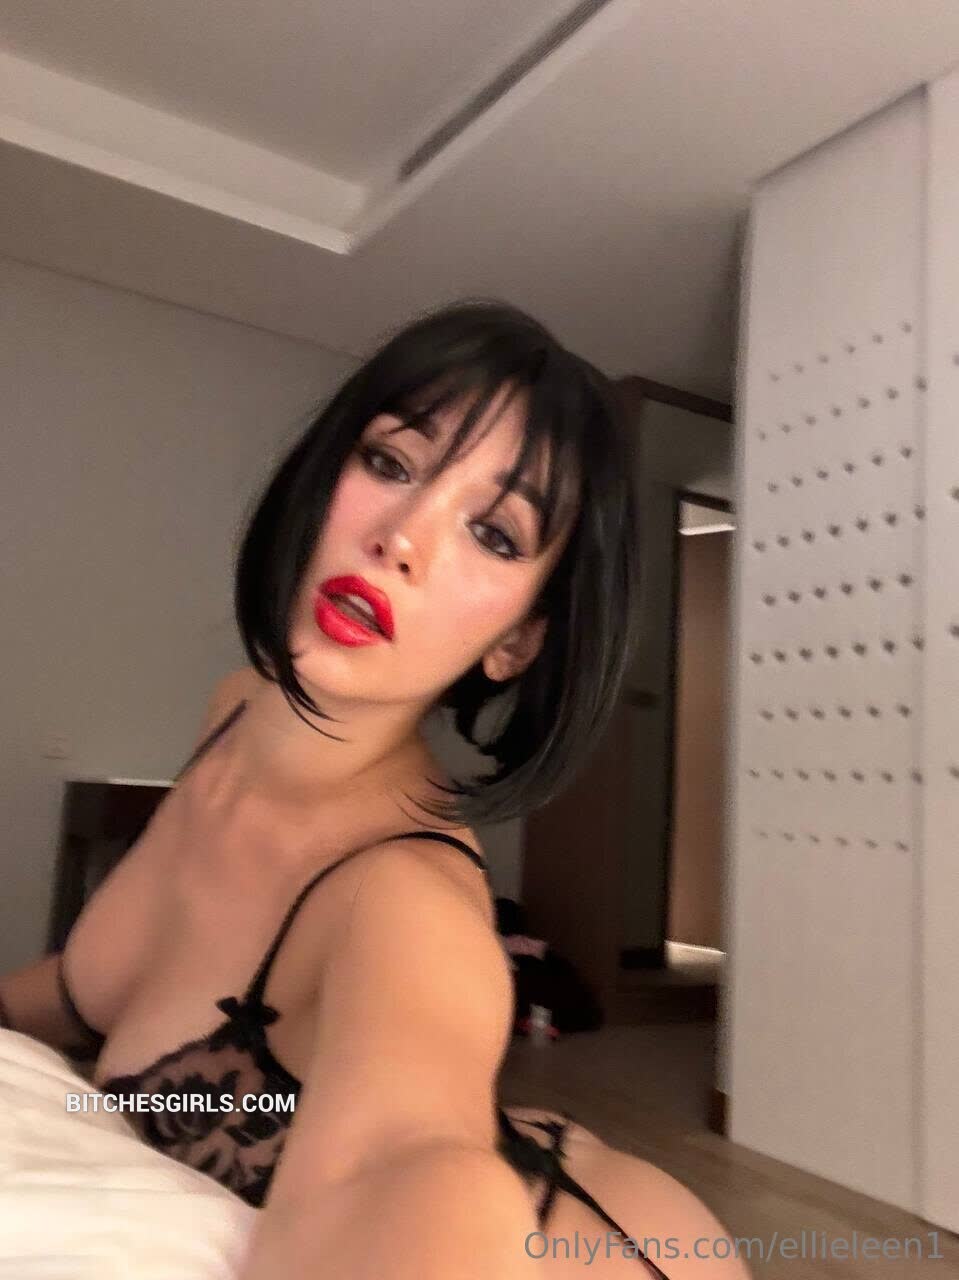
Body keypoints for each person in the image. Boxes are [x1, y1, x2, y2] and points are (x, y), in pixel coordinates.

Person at [0, 302, 750, 1279]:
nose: (402, 537)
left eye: (492, 532)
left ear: (517, 640)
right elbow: (82, 986)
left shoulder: (406, 902)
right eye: (392, 463)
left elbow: (405, 1158)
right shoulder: (236, 709)